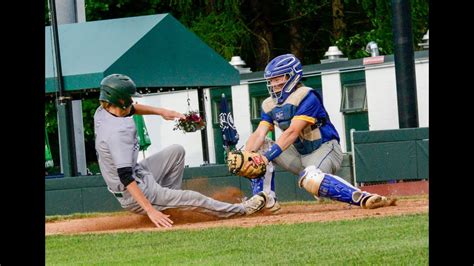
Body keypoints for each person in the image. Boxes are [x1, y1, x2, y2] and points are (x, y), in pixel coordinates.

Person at [94, 73, 268, 228]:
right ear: (121, 100)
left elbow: (133, 109)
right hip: (132, 189)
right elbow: (125, 176)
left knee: (176, 152)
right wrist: (149, 210)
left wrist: (163, 111)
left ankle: (170, 204)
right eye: (129, 97)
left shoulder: (104, 111)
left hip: (138, 173)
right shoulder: (118, 132)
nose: (133, 101)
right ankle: (241, 210)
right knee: (194, 198)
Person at [244, 54, 394, 212]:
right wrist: (247, 155)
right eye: (272, 80)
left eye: (278, 78)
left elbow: (293, 132)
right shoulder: (269, 103)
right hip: (298, 153)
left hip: (324, 148)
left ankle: (363, 197)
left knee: (311, 178)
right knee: (257, 150)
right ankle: (265, 201)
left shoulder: (307, 96)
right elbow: (259, 134)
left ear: (292, 76)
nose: (274, 84)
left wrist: (265, 158)